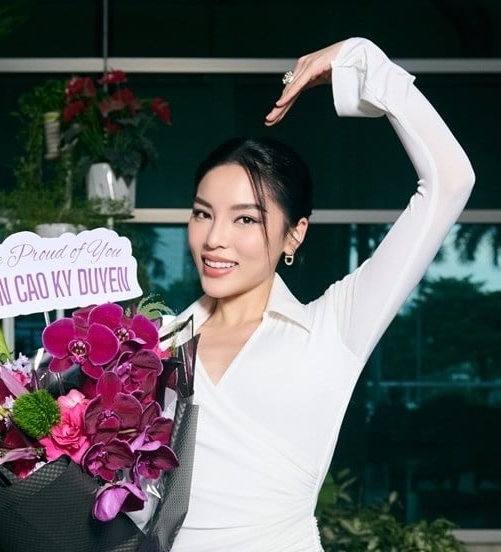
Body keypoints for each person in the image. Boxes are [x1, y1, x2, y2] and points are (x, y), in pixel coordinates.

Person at [168, 36, 475, 551]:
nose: (214, 238)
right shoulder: (157, 341)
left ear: (295, 233)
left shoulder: (332, 329)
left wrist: (362, 62)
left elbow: (450, 181)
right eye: (203, 213)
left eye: (246, 218)